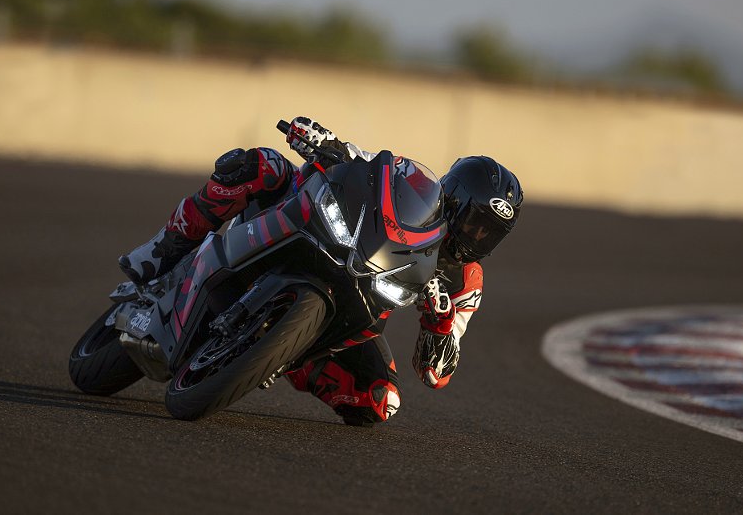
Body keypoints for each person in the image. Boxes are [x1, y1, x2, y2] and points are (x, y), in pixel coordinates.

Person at [119, 117, 523, 426]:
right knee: (261, 165)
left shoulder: (467, 281)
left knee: (380, 401)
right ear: (453, 198)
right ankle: (164, 249)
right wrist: (325, 142)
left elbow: (435, 374)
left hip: (357, 308)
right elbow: (370, 164)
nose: (476, 236)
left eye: (490, 233)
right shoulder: (415, 183)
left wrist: (440, 320)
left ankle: (290, 354)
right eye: (474, 220)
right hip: (322, 231)